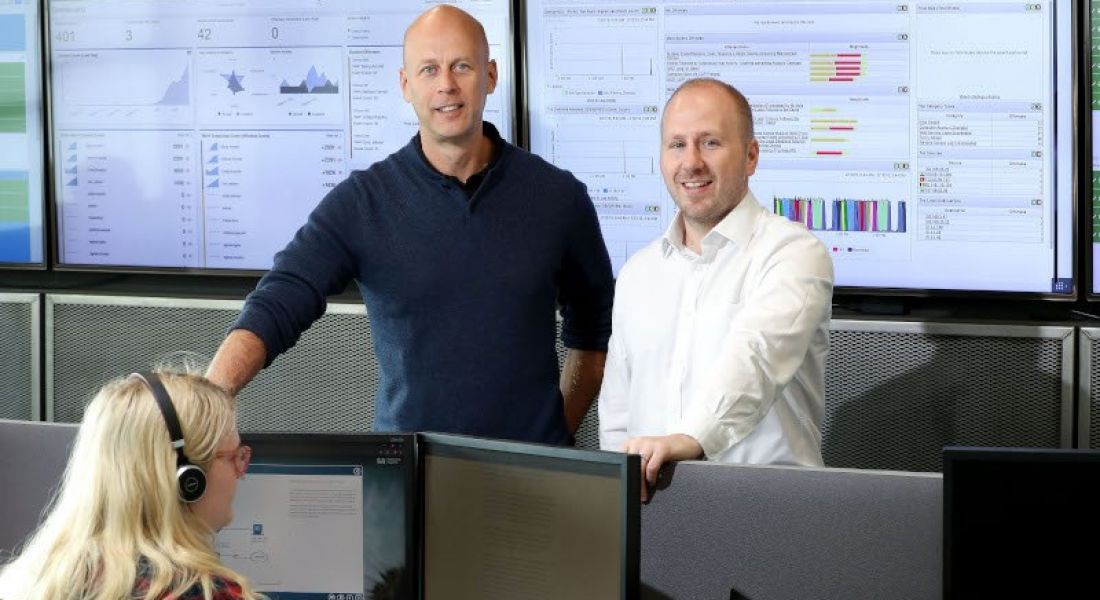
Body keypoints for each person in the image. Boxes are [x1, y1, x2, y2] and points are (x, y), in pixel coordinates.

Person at [206, 5, 613, 445]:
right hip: (406, 476)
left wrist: (555, 440)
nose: (446, 85)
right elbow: (279, 300)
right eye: (428, 69)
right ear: (405, 84)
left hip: (532, 481)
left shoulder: (559, 197)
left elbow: (595, 335)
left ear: (491, 75)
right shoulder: (363, 202)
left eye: (462, 66)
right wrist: (208, 397)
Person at [598, 78, 834, 499]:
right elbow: (618, 415)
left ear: (751, 156)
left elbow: (756, 360)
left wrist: (688, 439)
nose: (691, 162)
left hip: (770, 515)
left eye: (710, 143)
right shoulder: (638, 273)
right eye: (676, 145)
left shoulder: (795, 253)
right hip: (653, 514)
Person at [0, 370, 259, 600]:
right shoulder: (201, 592)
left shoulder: (32, 578)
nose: (240, 471)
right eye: (236, 456)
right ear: (189, 479)